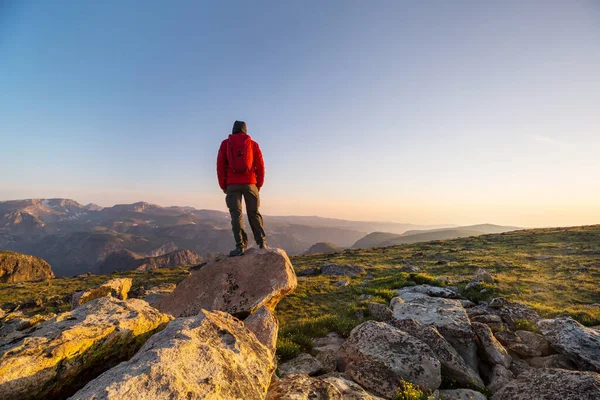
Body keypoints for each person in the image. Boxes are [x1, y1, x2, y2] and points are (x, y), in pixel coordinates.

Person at [217, 120, 267, 256]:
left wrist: (223, 185)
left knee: (236, 215)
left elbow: (220, 166)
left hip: (232, 185)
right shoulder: (252, 144)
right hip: (251, 183)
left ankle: (240, 246)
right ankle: (262, 243)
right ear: (245, 130)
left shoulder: (225, 144)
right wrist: (259, 184)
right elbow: (260, 166)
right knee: (254, 213)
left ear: (233, 129)